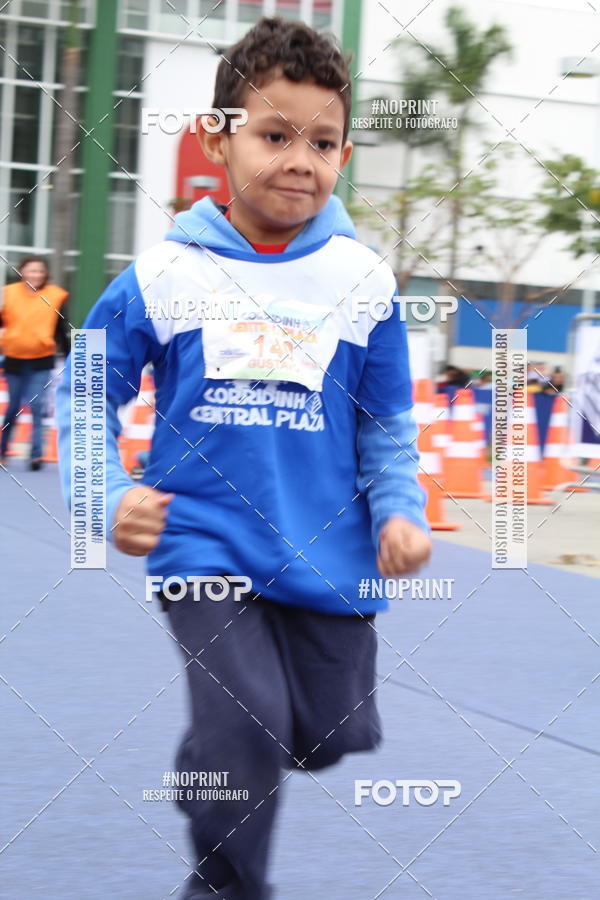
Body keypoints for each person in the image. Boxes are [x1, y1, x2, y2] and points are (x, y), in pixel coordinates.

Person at [56, 17, 431, 899]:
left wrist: (401, 510)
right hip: (204, 541)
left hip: (326, 553)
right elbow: (84, 392)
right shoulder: (161, 276)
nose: (300, 159)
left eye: (324, 141)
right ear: (218, 138)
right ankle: (224, 883)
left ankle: (218, 744)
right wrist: (104, 493)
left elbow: (386, 423)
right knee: (248, 726)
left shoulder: (364, 282)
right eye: (274, 134)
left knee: (326, 734)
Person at [0, 255, 69, 468]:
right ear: (22, 272)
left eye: (40, 271)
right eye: (31, 270)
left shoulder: (55, 296)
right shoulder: (9, 294)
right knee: (13, 407)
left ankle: (36, 454)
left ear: (45, 274)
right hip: (14, 359)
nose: (36, 275)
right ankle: (3, 450)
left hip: (41, 360)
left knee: (37, 406)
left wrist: (70, 358)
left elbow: (61, 330)